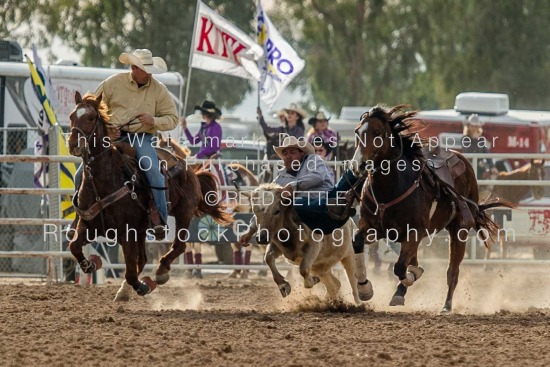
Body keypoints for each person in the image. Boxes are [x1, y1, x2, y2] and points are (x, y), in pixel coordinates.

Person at [74, 48, 178, 237]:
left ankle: (160, 218)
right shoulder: (112, 83)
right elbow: (92, 109)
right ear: (133, 68)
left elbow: (173, 118)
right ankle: (80, 218)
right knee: (80, 174)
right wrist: (108, 128)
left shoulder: (159, 90)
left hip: (141, 137)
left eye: (150, 70)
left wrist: (153, 121)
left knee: (152, 170)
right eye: (144, 69)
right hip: (112, 137)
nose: (148, 73)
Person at [462, 114, 498, 179]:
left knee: (492, 175)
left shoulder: (481, 139)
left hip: (480, 167)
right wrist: (475, 140)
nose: (474, 128)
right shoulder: (465, 139)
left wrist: (492, 166)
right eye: (472, 126)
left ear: (479, 127)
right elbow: (468, 152)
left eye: (476, 126)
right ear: (468, 126)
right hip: (469, 166)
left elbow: (486, 153)